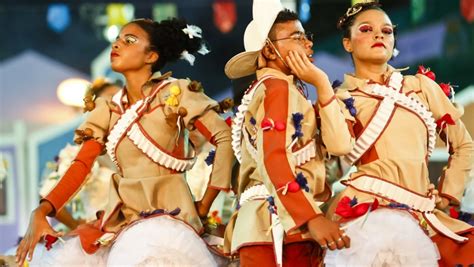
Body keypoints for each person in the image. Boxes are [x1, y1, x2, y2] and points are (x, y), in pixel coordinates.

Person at [16, 17, 234, 266]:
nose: (117, 44)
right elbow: (81, 165)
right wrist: (42, 210)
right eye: (117, 39)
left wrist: (205, 206)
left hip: (170, 224)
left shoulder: (175, 93)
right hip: (121, 223)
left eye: (129, 40)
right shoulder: (108, 109)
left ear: (151, 56)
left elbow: (223, 137)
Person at [324, 2, 474, 266]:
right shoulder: (340, 99)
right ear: (347, 43)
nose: (379, 35)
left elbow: (463, 145)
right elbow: (334, 160)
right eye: (367, 29)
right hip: (368, 213)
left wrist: (449, 192)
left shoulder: (421, 87)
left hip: (423, 209)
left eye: (387, 30)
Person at [223, 0, 353, 266]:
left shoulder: (276, 89)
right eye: (297, 36)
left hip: (269, 224)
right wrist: (310, 217)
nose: (308, 44)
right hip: (281, 227)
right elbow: (275, 156)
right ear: (270, 51)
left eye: (307, 36)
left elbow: (340, 146)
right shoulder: (277, 88)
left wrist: (321, 83)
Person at [39, 78, 120, 231]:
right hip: (98, 236)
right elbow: (46, 194)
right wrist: (76, 227)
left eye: (121, 97)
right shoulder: (79, 153)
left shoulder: (133, 147)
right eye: (111, 98)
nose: (119, 103)